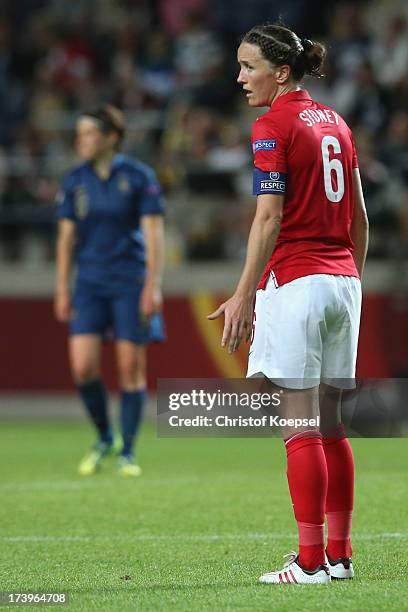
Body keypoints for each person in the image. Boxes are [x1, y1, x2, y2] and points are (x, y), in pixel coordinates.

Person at [209, 23, 369, 584]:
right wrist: (349, 279)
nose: (239, 76)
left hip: (298, 280)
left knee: (298, 425)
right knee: (332, 426)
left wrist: (242, 293)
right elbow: (359, 218)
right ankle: (341, 558)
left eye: (248, 66)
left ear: (280, 73)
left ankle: (308, 563)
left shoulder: (272, 124)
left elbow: (269, 217)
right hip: (343, 280)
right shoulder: (338, 123)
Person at [54, 105, 165, 477]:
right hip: (89, 282)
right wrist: (62, 288)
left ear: (111, 137)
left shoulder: (138, 177)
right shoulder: (74, 181)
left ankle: (128, 452)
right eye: (80, 133)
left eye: (88, 133)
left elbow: (153, 234)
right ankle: (105, 437)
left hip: (129, 281)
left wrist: (153, 284)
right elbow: (66, 238)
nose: (80, 140)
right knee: (83, 366)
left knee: (129, 367)